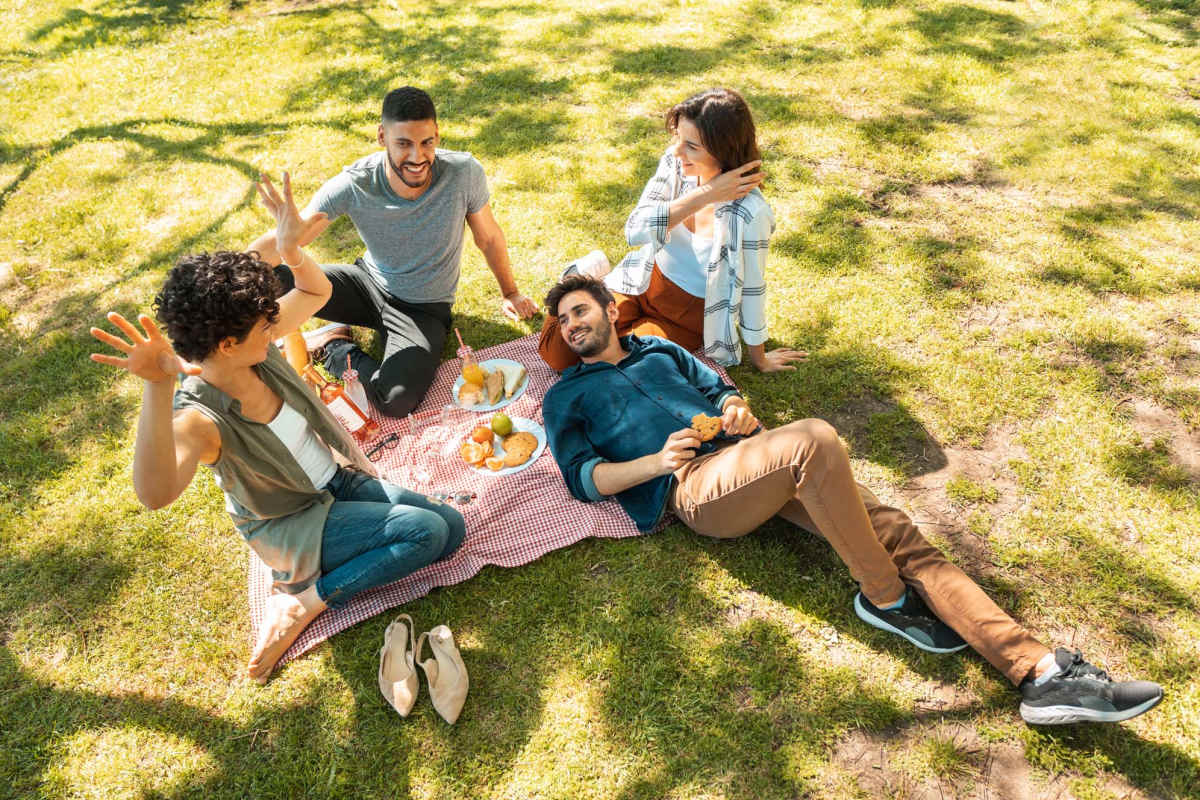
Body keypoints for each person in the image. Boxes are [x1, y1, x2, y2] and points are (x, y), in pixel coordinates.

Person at [540, 275, 1164, 725]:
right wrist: (657, 462)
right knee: (813, 439)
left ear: (610, 310)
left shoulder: (660, 349)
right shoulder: (565, 396)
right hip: (696, 489)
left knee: (898, 531)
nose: (572, 326)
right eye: (564, 322)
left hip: (754, 456)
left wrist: (734, 408)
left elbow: (720, 389)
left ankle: (1041, 672)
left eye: (579, 311)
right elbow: (583, 479)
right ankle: (885, 598)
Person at [89, 173, 465, 683]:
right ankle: (306, 600)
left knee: (451, 530)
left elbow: (315, 288)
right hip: (293, 521)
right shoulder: (199, 417)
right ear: (226, 344)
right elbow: (154, 494)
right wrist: (157, 385)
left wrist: (289, 250)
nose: (276, 328)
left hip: (336, 481)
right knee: (425, 532)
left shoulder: (250, 348)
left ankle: (319, 577)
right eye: (265, 325)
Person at [248, 86, 538, 418]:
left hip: (422, 310)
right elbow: (293, 237)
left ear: (437, 134)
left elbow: (488, 238)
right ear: (382, 136)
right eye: (403, 144)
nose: (417, 157)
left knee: (395, 400)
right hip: (366, 284)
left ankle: (334, 347)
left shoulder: (463, 173)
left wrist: (510, 292)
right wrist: (229, 273)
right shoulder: (356, 182)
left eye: (426, 142)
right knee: (264, 278)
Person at [538, 87, 805, 373]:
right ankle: (577, 278)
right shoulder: (676, 164)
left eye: (691, 145)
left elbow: (752, 289)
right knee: (558, 353)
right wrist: (706, 194)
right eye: (678, 137)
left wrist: (760, 359)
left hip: (685, 316)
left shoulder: (750, 213)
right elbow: (635, 230)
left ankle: (588, 290)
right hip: (642, 280)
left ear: (723, 150)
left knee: (617, 365)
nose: (678, 151)